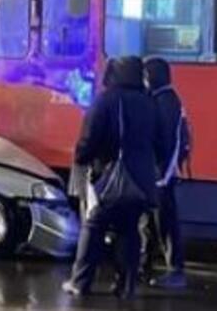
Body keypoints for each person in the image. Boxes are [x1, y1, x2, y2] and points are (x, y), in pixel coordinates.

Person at [62, 56, 164, 300]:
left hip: (111, 176)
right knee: (129, 230)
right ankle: (126, 286)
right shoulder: (149, 102)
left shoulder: (107, 100)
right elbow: (161, 142)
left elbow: (89, 138)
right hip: (141, 180)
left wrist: (82, 157)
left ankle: (80, 281)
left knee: (93, 225)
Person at [143, 56, 190, 289]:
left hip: (161, 175)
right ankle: (147, 264)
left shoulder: (164, 102)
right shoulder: (165, 98)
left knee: (166, 223)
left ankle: (175, 270)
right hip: (160, 174)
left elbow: (168, 142)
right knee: (153, 222)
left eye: (146, 75)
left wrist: (163, 175)